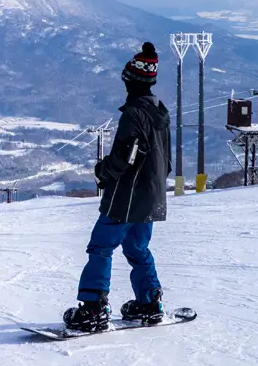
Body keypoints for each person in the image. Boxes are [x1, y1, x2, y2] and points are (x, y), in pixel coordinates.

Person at [64, 42, 172, 332]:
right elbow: (167, 161)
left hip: (126, 197)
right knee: (138, 249)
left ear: (130, 80)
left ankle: (93, 308)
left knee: (101, 247)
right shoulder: (160, 112)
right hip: (152, 197)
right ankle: (150, 303)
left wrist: (103, 172)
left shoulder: (133, 114)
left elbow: (123, 157)